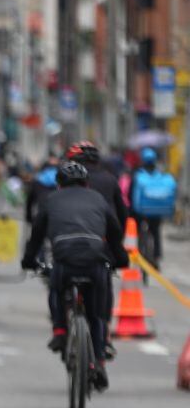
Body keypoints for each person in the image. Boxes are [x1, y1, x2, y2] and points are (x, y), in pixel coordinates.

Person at [21, 161, 129, 390]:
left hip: (65, 260)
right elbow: (115, 231)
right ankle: (98, 362)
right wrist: (121, 259)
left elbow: (37, 234)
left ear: (59, 185)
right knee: (97, 316)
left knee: (56, 289)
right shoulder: (98, 199)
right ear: (86, 183)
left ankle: (60, 330)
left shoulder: (51, 200)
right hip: (95, 260)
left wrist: (29, 261)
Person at [67, 140, 127, 359]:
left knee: (61, 280)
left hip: (68, 246)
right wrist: (117, 245)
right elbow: (120, 216)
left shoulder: (66, 180)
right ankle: (105, 335)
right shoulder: (110, 180)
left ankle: (63, 327)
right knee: (103, 288)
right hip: (102, 247)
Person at [130, 147, 176, 270]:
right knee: (155, 232)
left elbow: (131, 194)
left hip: (140, 211)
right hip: (157, 210)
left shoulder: (138, 174)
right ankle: (156, 256)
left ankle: (140, 255)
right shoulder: (160, 174)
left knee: (140, 231)